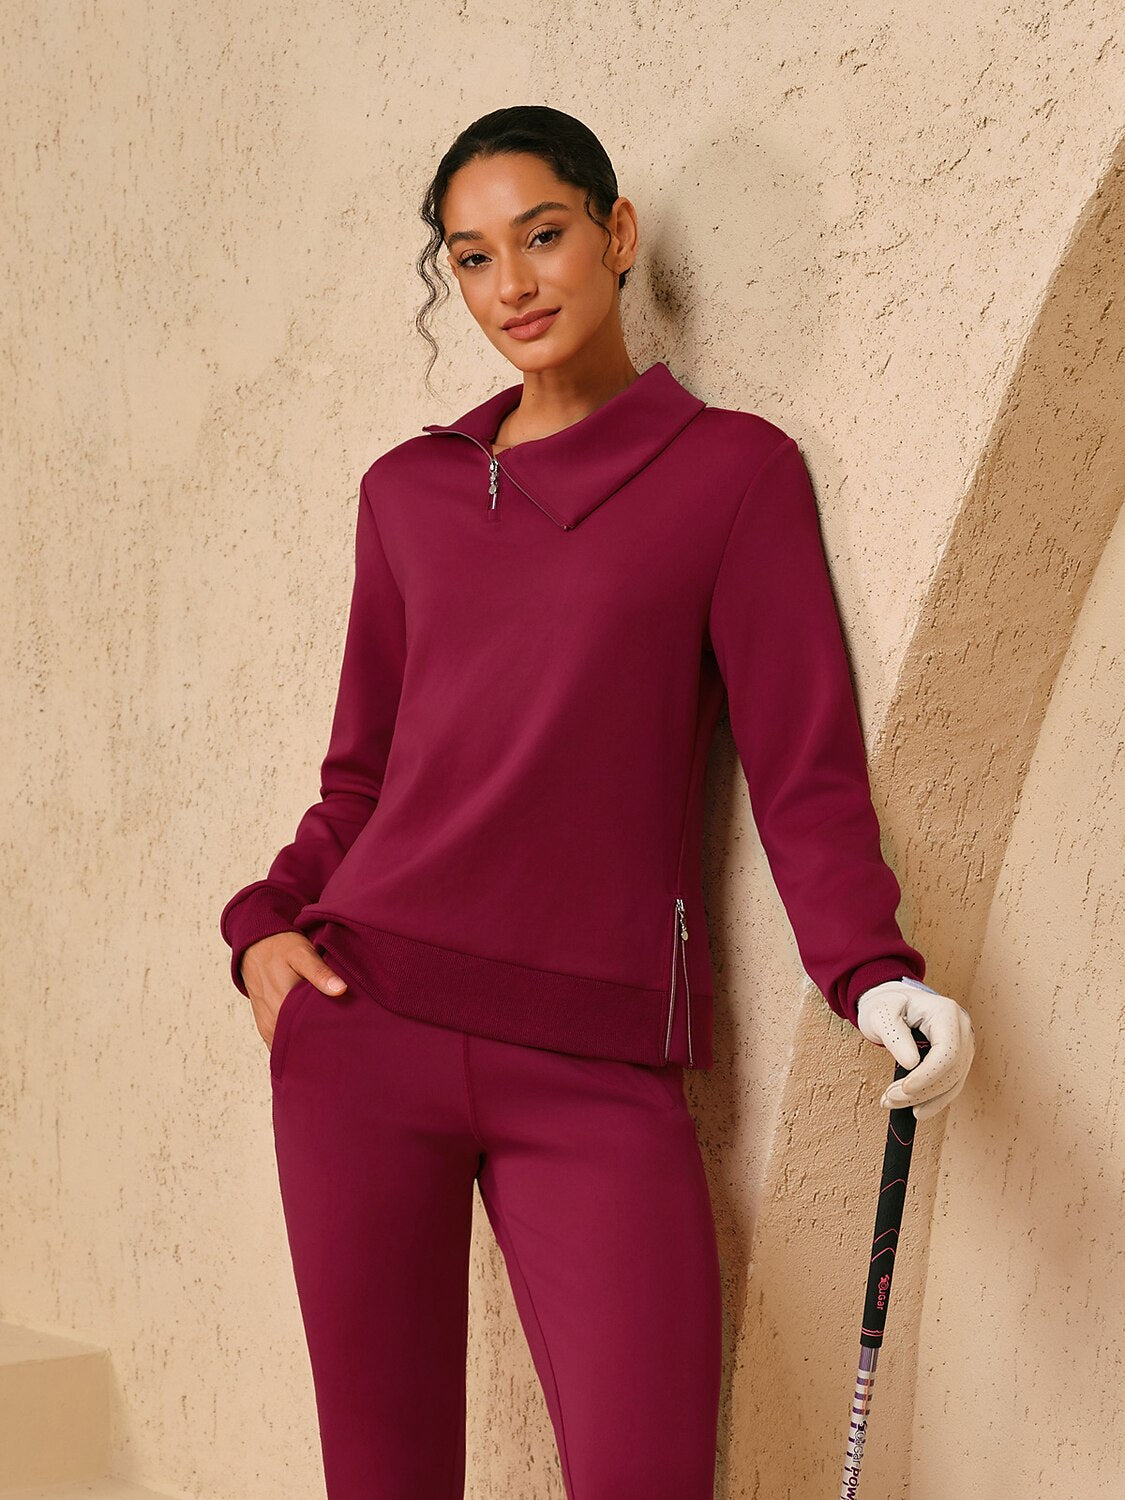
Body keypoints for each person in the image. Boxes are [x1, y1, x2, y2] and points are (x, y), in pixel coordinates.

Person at [219, 105, 975, 1500]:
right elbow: (364, 778)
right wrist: (264, 925)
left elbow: (800, 771)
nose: (512, 283)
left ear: (617, 235)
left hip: (596, 1065)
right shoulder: (408, 495)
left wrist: (871, 973)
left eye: (544, 235)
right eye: (473, 257)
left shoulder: (732, 475)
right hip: (364, 1031)